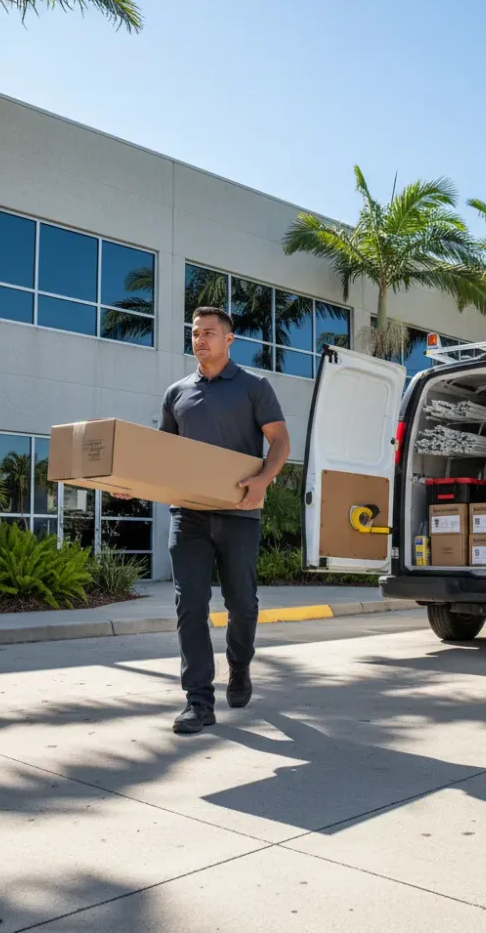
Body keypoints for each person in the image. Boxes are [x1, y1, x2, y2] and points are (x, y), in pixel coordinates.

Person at [120, 305, 290, 734]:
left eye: (210, 332)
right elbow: (164, 455)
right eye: (195, 333)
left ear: (229, 339)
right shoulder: (177, 392)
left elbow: (280, 440)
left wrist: (263, 481)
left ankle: (239, 666)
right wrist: (133, 483)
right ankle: (198, 701)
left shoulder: (254, 386)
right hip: (189, 515)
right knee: (190, 605)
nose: (200, 339)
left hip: (239, 513)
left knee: (242, 605)